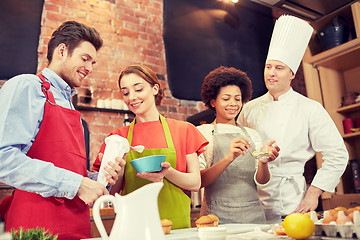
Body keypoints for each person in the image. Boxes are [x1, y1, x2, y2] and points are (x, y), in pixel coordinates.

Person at [0, 21, 123, 239]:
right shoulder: (27, 86)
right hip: (35, 226)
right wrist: (76, 184)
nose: (90, 68)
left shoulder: (68, 105)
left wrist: (97, 178)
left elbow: (67, 173)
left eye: (93, 62)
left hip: (76, 225)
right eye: (85, 59)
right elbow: (4, 159)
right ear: (62, 50)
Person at [238, 15, 349, 222]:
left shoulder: (310, 109)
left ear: (292, 73)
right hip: (253, 200)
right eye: (268, 66)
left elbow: (337, 155)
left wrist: (313, 193)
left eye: (279, 68)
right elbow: (241, 155)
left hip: (293, 201)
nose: (271, 73)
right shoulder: (248, 109)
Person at [92, 65, 209, 229]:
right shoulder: (117, 138)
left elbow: (195, 183)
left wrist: (166, 172)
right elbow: (111, 193)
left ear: (155, 89)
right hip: (133, 226)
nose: (131, 97)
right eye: (125, 92)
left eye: (138, 89)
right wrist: (116, 173)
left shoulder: (184, 130)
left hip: (175, 226)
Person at [196, 66, 280, 224]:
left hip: (254, 217)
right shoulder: (203, 133)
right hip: (217, 219)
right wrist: (228, 157)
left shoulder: (252, 134)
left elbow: (261, 181)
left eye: (237, 98)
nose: (233, 103)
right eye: (226, 99)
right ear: (213, 101)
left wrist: (263, 162)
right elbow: (199, 181)